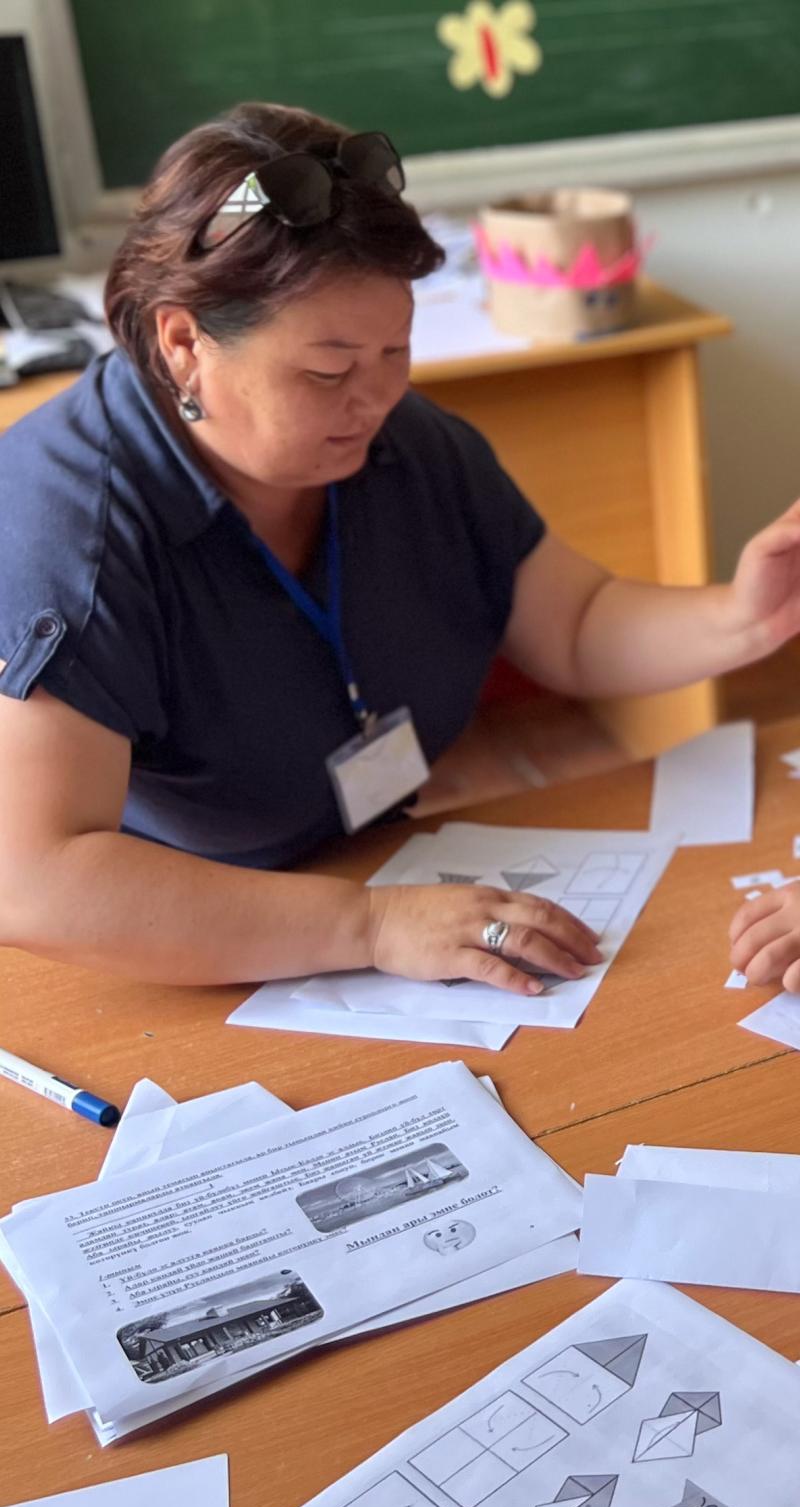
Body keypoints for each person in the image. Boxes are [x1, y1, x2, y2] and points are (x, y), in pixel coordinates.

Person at [2, 102, 800, 996]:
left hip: (373, 864)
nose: (377, 399)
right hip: (179, 935)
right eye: (330, 370)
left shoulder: (408, 444)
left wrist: (744, 615)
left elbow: (573, 624)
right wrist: (369, 925)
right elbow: (37, 881)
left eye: (397, 350)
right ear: (184, 342)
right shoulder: (66, 530)